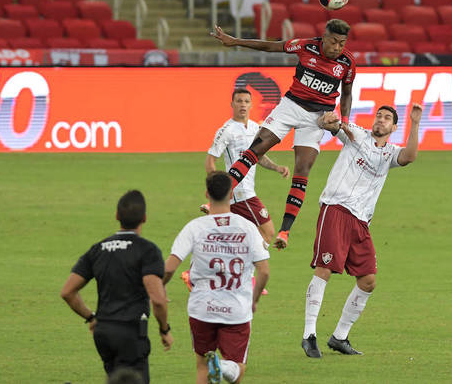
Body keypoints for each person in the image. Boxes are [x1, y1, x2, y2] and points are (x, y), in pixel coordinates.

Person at [210, 19, 356, 249]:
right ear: (323, 37)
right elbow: (271, 46)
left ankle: (285, 232)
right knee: (256, 148)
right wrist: (235, 41)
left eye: (341, 43)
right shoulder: (305, 46)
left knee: (303, 169)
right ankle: (218, 199)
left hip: (317, 118)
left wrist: (345, 120)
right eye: (333, 41)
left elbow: (346, 93)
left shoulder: (347, 62)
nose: (337, 48)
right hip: (290, 106)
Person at [300, 104, 423, 358]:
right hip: (335, 209)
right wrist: (329, 121)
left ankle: (339, 336)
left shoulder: (391, 153)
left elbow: (409, 157)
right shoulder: (356, 133)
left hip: (360, 222)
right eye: (379, 115)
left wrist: (416, 123)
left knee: (368, 281)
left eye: (387, 118)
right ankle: (309, 335)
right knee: (324, 270)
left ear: (393, 128)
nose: (381, 120)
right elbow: (334, 126)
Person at [163, 171, 270, 384]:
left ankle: (218, 366)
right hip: (237, 309)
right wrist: (254, 300)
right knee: (237, 367)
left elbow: (169, 267)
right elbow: (264, 271)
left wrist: (161, 287)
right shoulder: (248, 227)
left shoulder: (195, 227)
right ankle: (225, 367)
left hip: (202, 308)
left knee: (202, 364)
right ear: (232, 195)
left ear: (206, 194)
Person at [60, 190, 173, 383]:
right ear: (144, 218)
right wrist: (164, 329)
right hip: (131, 333)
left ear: (117, 216)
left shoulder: (98, 249)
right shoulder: (147, 250)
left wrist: (91, 317)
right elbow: (158, 300)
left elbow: (67, 292)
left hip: (103, 333)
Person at [201, 87, 290, 245]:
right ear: (232, 104)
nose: (243, 104)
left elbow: (257, 157)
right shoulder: (226, 130)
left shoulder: (256, 128)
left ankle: (200, 267)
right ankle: (249, 264)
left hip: (244, 193)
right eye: (239, 101)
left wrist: (277, 168)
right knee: (267, 233)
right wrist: (218, 190)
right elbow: (210, 161)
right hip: (240, 193)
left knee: (231, 237)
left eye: (246, 101)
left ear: (251, 105)